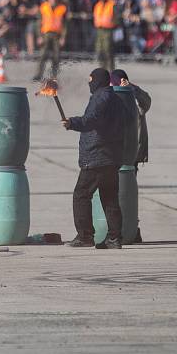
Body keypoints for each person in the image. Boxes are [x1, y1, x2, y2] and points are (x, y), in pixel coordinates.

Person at [61, 68, 125, 249]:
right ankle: (114, 238)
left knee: (81, 195)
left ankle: (85, 236)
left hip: (97, 156)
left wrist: (72, 123)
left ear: (97, 81)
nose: (90, 83)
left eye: (91, 80)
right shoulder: (115, 99)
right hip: (111, 157)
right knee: (110, 197)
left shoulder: (100, 98)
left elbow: (91, 119)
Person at [110, 69, 151, 243]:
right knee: (114, 192)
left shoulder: (134, 97)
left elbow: (146, 102)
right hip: (113, 153)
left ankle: (131, 228)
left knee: (127, 193)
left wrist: (133, 88)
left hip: (131, 153)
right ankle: (121, 228)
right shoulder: (109, 97)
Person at [34, 0, 67, 80]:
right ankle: (39, 74)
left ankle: (54, 75)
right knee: (42, 55)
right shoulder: (43, 7)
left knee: (56, 56)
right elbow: (39, 23)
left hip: (57, 35)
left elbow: (65, 25)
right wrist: (39, 36)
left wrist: (63, 37)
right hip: (46, 34)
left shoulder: (62, 8)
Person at [93, 0, 116, 71]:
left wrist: (114, 26)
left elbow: (116, 18)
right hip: (99, 30)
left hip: (108, 31)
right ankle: (103, 70)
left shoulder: (112, 5)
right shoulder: (98, 5)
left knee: (108, 51)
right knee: (99, 51)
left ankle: (111, 71)